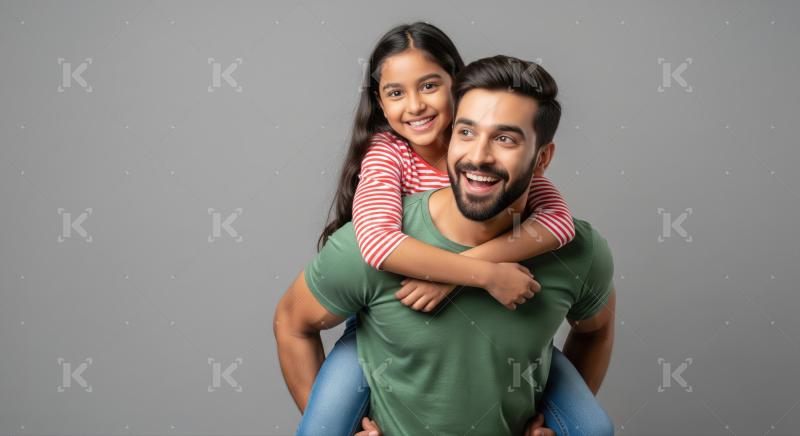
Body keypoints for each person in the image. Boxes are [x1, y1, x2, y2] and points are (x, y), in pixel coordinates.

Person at [275, 54, 616, 435]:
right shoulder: (366, 242)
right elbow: (292, 322)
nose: (478, 156)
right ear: (450, 135)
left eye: (505, 139)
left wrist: (556, 424)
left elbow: (594, 328)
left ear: (542, 160)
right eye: (466, 132)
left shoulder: (579, 252)